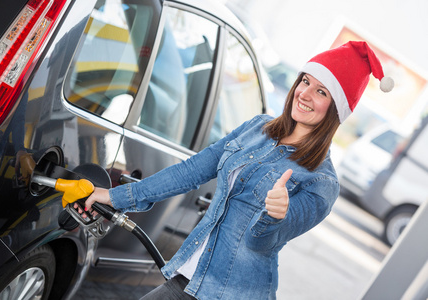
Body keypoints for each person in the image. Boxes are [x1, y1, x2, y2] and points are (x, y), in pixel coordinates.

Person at [81, 41, 394, 299]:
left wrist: (276, 214)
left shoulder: (322, 182)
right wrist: (115, 196)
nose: (305, 94)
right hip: (187, 280)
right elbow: (191, 171)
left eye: (322, 92)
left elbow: (261, 243)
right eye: (305, 81)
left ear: (336, 109)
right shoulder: (257, 128)